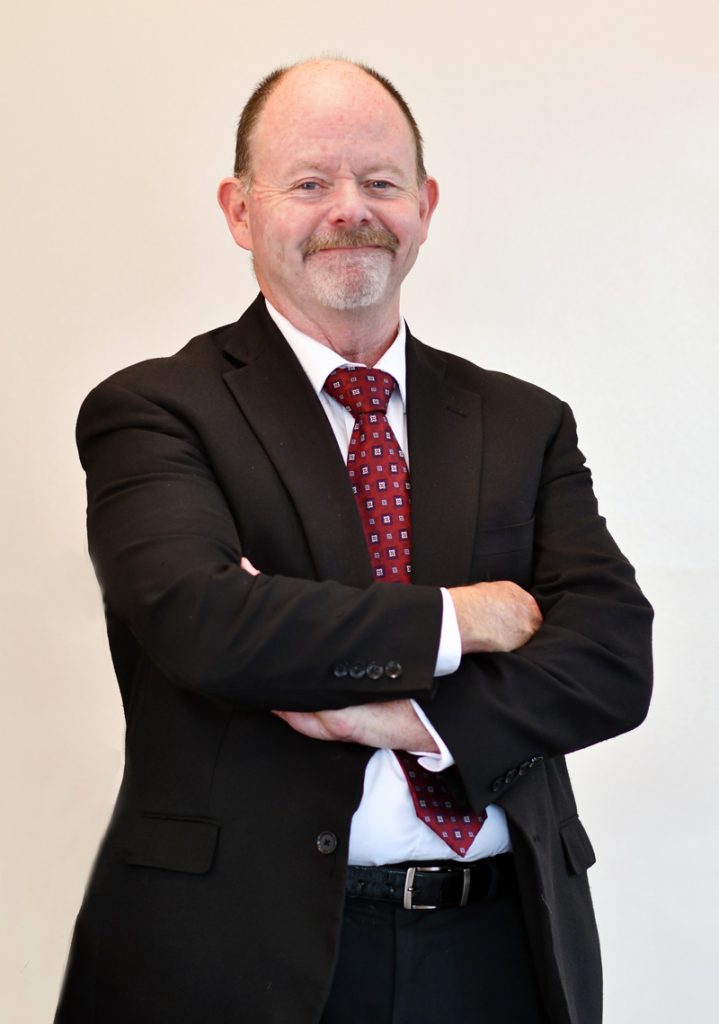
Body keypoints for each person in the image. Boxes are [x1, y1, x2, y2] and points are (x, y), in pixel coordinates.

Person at [55, 59, 653, 1024]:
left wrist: (407, 721)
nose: (349, 209)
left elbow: (614, 659)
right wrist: (466, 619)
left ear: (424, 205)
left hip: (502, 952)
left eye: (379, 181)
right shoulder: (156, 411)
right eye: (308, 182)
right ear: (239, 210)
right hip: (236, 956)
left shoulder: (524, 422)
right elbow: (206, 624)